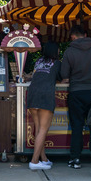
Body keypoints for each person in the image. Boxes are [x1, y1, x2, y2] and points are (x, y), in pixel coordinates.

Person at [59, 25, 91, 169]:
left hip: (76, 92)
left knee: (77, 127)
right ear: (86, 34)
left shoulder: (69, 51)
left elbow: (64, 74)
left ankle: (75, 159)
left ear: (72, 37)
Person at [26, 42, 61, 170]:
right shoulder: (57, 63)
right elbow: (61, 78)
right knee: (43, 130)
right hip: (45, 95)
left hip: (32, 93)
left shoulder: (38, 61)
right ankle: (34, 162)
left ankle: (43, 159)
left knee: (39, 129)